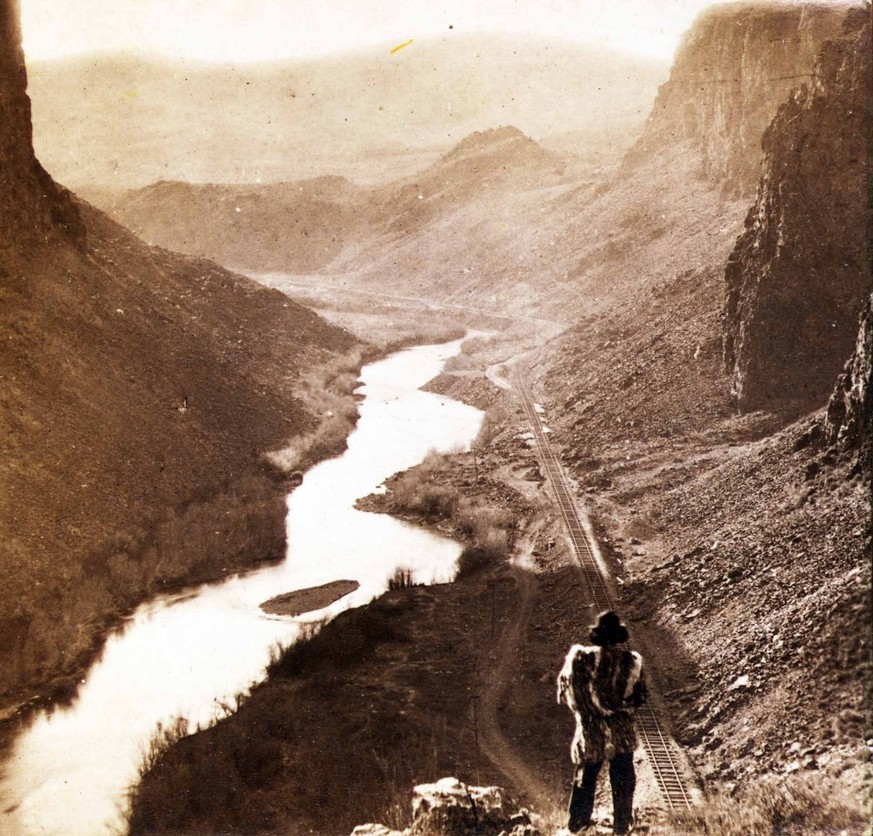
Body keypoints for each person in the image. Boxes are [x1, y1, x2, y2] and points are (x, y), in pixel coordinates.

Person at [557, 610, 647, 835]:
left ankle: (578, 825)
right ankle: (621, 826)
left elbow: (571, 694)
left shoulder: (580, 659)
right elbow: (639, 697)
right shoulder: (630, 663)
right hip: (621, 732)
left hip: (591, 730)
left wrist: (593, 710)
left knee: (585, 776)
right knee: (623, 776)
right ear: (618, 637)